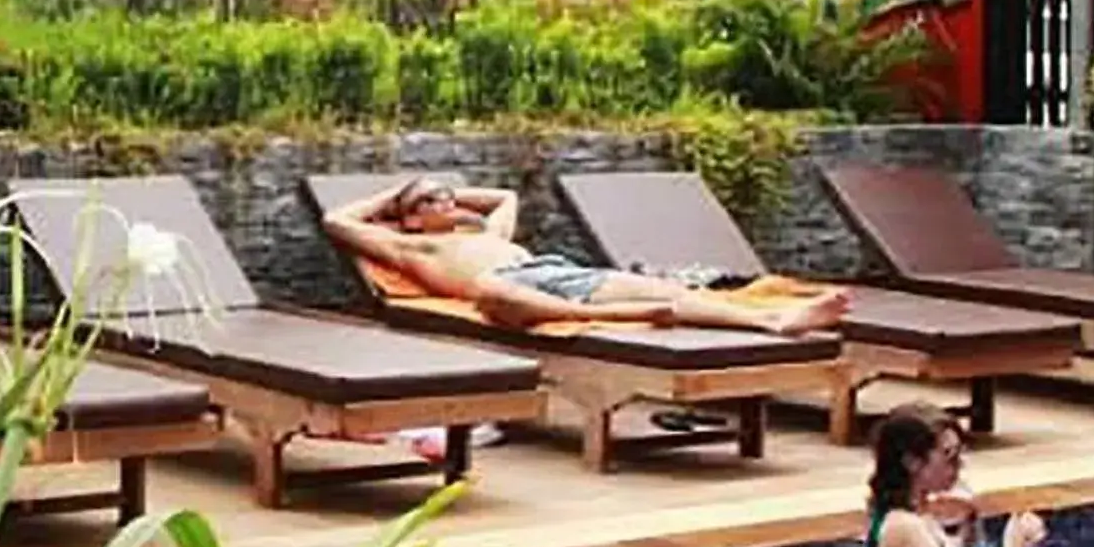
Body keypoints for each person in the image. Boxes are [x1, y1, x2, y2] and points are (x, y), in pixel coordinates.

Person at [319, 175, 850, 337]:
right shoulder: (411, 244)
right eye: (430, 200)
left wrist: (450, 200)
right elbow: (337, 221)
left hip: (552, 274)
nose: (447, 201)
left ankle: (776, 324)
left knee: (671, 292)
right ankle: (621, 318)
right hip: (508, 289)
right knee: (488, 292)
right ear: (408, 217)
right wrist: (395, 194)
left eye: (449, 193)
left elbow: (507, 197)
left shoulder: (491, 233)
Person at [866, 402, 1045, 547]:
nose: (959, 465)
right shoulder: (904, 527)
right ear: (912, 462)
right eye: (949, 456)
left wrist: (965, 537)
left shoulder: (919, 514)